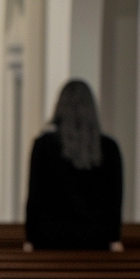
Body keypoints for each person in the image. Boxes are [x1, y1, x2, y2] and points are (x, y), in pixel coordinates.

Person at [25, 79, 123, 251]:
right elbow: (114, 199)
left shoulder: (44, 145)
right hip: (95, 240)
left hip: (51, 240)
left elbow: (35, 196)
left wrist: (30, 237)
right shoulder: (109, 148)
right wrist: (113, 236)